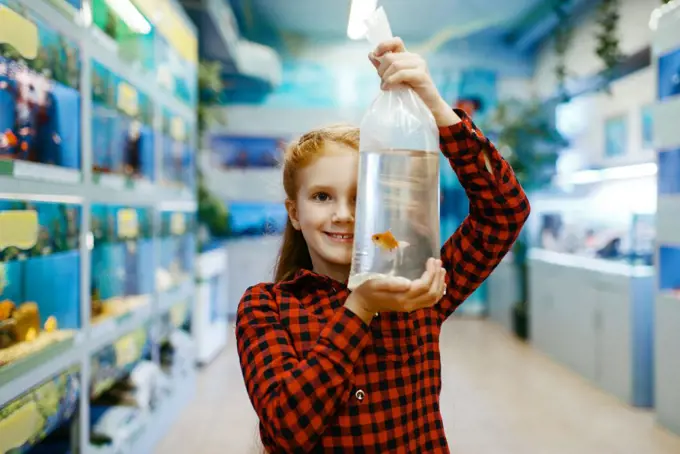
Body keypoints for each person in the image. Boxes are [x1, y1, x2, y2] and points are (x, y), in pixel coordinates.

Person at [236, 37, 531, 453]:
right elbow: (287, 429)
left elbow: (505, 211)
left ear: (383, 202)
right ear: (295, 212)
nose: (343, 214)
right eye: (322, 196)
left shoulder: (419, 290)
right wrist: (360, 308)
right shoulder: (265, 307)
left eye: (361, 197)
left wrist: (437, 109)